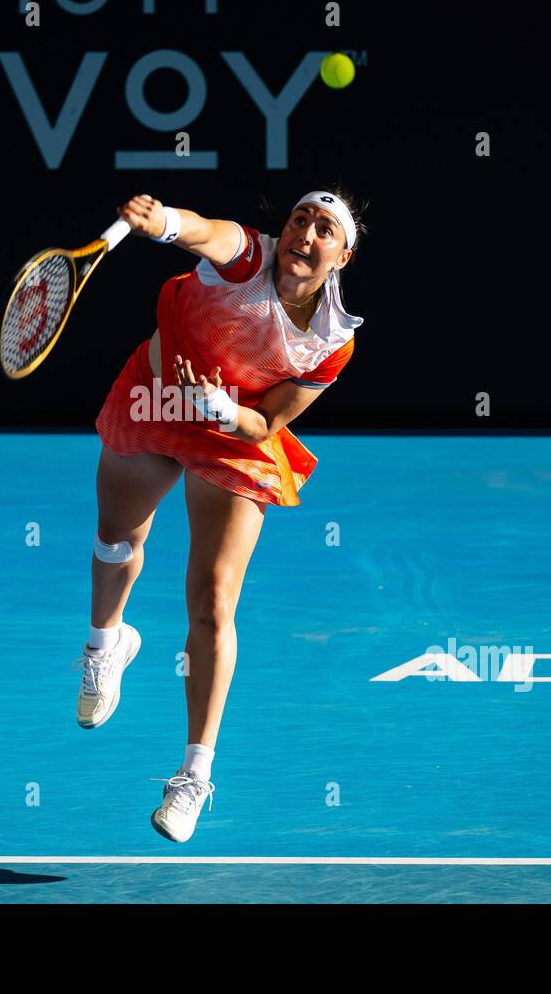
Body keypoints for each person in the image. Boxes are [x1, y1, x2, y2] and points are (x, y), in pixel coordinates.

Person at [77, 188, 365, 842]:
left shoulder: (332, 343)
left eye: (324, 229)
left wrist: (218, 409)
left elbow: (266, 422)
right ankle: (106, 642)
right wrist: (166, 223)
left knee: (212, 601)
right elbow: (208, 233)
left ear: (341, 256)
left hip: (230, 434)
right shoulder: (246, 261)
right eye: (299, 219)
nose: (305, 233)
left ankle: (194, 777)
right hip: (153, 400)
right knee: (116, 539)